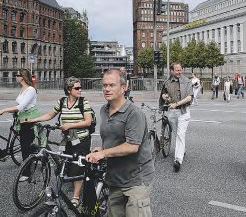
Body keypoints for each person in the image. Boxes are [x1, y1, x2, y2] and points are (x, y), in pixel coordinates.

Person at [86, 70, 154, 217]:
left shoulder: (134, 113)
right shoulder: (104, 110)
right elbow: (114, 138)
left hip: (136, 180)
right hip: (114, 178)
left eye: (111, 85)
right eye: (104, 85)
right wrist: (102, 149)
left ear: (124, 88)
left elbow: (132, 146)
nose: (106, 89)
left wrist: (104, 153)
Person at [27, 76, 92, 207]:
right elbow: (50, 115)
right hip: (68, 139)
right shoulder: (62, 102)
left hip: (81, 139)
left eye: (80, 87)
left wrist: (69, 126)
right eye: (77, 88)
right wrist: (34, 120)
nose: (80, 90)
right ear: (69, 90)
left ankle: (75, 196)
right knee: (67, 163)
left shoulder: (83, 102)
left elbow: (88, 121)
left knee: (77, 167)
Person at [0, 69, 41, 175]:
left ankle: (27, 173)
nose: (15, 76)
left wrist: (4, 110)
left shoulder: (31, 90)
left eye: (16, 75)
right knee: (25, 143)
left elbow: (21, 106)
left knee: (25, 147)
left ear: (22, 77)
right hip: (21, 118)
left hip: (29, 119)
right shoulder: (22, 88)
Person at [159, 62, 193, 172]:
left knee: (180, 134)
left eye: (180, 70)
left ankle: (178, 160)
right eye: (177, 70)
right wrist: (165, 97)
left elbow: (189, 98)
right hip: (172, 112)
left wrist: (176, 104)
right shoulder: (167, 82)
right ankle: (182, 150)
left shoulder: (187, 81)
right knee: (176, 134)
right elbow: (163, 94)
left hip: (183, 111)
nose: (179, 72)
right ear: (172, 71)